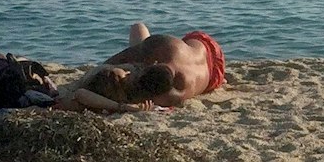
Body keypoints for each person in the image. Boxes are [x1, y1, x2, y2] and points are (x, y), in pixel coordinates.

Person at [96, 23, 226, 105]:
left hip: (213, 75)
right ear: (154, 63)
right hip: (206, 48)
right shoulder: (167, 45)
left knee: (137, 28)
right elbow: (125, 55)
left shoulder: (173, 95)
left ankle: (223, 80)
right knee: (138, 30)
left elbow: (122, 57)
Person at [55, 63, 174, 113]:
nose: (128, 73)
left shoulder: (126, 84)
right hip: (89, 85)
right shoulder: (111, 81)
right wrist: (122, 107)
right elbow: (80, 94)